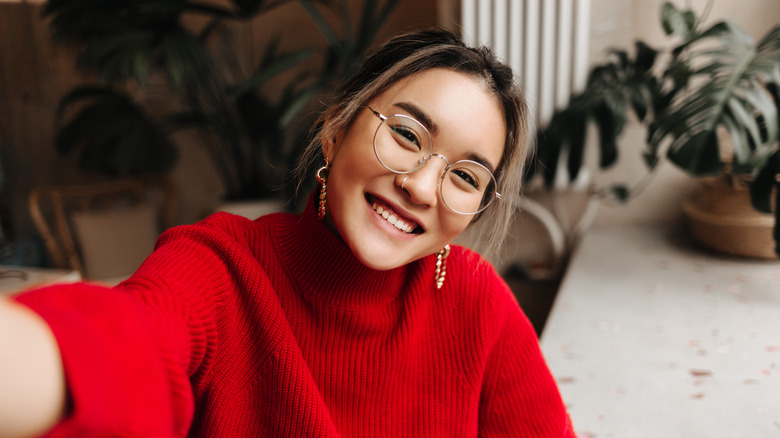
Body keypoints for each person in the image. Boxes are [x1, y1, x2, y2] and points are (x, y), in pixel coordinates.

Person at [0, 28, 576, 437]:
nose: (423, 188)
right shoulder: (221, 266)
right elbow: (127, 345)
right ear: (335, 129)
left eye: (466, 176)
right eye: (406, 135)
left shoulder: (474, 301)